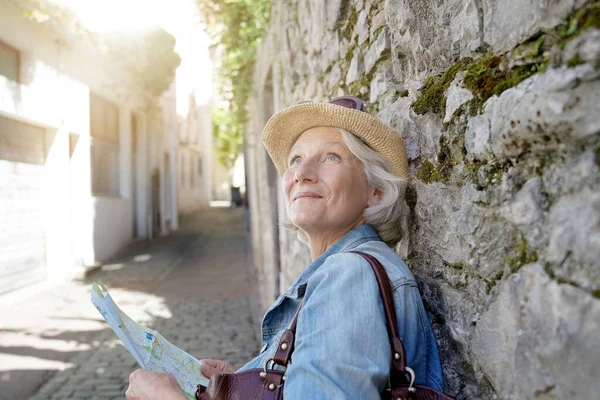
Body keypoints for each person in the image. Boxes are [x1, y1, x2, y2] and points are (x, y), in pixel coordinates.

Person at [126, 96, 444, 399]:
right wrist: (247, 382)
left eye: (331, 157)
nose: (302, 174)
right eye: (295, 159)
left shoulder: (348, 276)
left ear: (374, 191)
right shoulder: (349, 271)